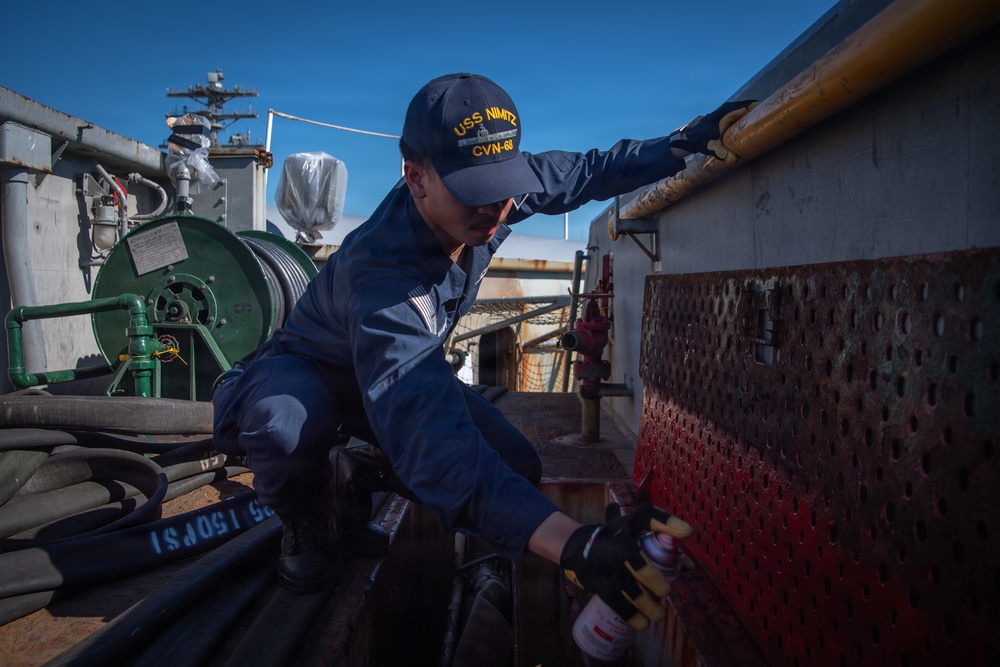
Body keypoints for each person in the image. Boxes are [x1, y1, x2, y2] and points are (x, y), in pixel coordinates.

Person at [213, 72, 754, 629]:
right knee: (285, 428)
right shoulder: (384, 279)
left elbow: (581, 171)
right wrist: (573, 544)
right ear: (416, 178)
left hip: (390, 381)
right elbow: (430, 436)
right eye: (476, 190)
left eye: (504, 183)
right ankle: (307, 518)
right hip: (312, 374)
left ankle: (352, 471)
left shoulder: (491, 195)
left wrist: (679, 143)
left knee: (516, 465)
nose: (496, 207)